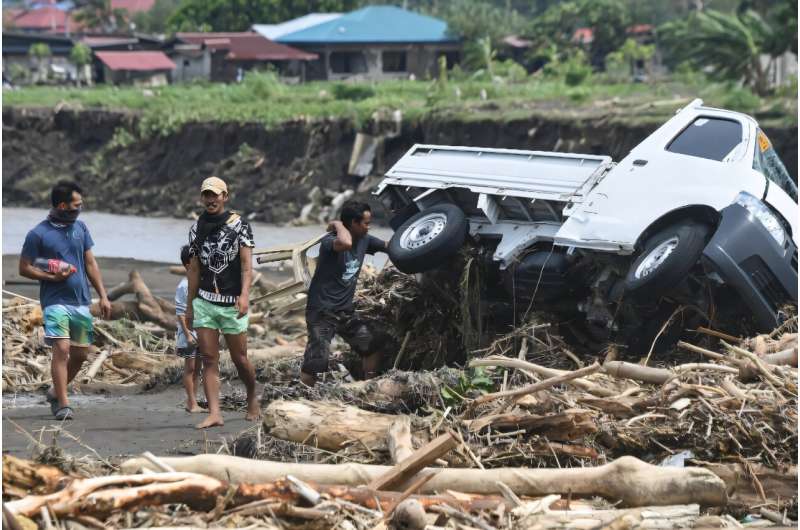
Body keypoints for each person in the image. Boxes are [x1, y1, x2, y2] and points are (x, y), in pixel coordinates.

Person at [19, 180, 111, 420]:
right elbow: (24, 268)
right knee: (61, 349)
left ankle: (53, 391)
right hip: (54, 301)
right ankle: (63, 403)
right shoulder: (38, 234)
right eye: (76, 204)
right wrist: (50, 275)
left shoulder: (81, 228)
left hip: (80, 301)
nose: (80, 208)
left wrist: (103, 295)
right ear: (62, 205)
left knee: (80, 354)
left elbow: (91, 263)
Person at [185, 176, 258, 429]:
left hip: (231, 304)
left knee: (240, 358)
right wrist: (189, 306)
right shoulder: (196, 228)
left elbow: (248, 267)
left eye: (215, 195)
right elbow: (194, 269)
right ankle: (215, 413)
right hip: (205, 302)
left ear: (225, 197)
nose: (210, 200)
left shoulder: (239, 225)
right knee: (208, 358)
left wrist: (244, 296)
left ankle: (251, 396)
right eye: (206, 195)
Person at [300, 200, 388, 387]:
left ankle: (367, 388)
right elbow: (346, 242)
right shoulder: (330, 241)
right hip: (322, 312)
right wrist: (338, 224)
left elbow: (388, 246)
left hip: (344, 311)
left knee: (371, 346)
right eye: (365, 223)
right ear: (353, 223)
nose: (369, 226)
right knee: (317, 361)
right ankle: (303, 396)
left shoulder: (365, 239)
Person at [176, 245, 203, 413]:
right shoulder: (184, 286)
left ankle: (194, 401)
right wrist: (188, 334)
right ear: (188, 265)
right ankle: (191, 402)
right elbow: (180, 312)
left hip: (201, 331)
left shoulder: (200, 283)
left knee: (198, 368)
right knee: (190, 368)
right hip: (188, 333)